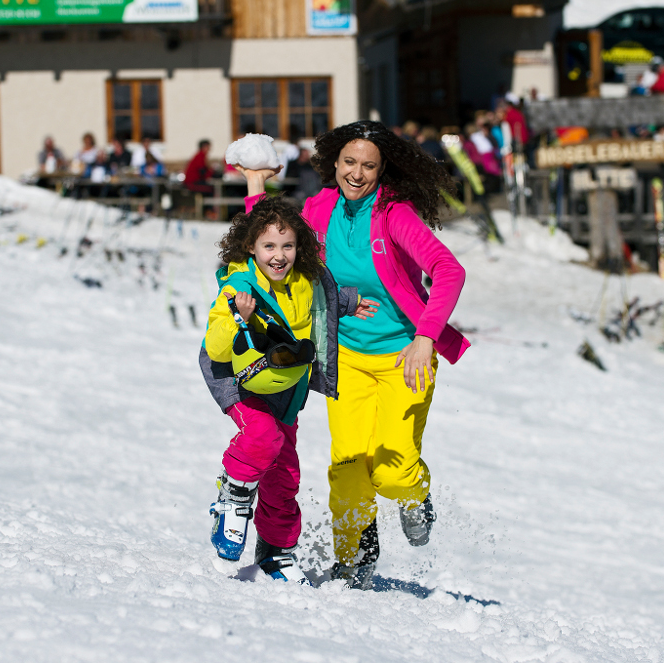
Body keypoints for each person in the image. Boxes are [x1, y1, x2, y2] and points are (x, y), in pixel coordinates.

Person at [240, 120, 469, 589]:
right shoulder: (321, 208)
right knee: (347, 468)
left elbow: (449, 270)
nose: (357, 173)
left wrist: (426, 338)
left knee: (392, 471)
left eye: (368, 165)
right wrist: (255, 184)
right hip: (345, 359)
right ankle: (355, 558)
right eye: (349, 162)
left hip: (404, 358)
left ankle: (415, 495)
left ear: (382, 170)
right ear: (335, 163)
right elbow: (272, 242)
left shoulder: (393, 214)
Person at [201, 198, 377, 584]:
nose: (279, 256)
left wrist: (349, 301)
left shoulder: (305, 280)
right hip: (242, 379)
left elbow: (322, 299)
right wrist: (237, 316)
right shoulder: (240, 286)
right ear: (251, 247)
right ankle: (234, 496)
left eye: (288, 246)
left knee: (285, 473)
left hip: (285, 387)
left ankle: (276, 552)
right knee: (261, 436)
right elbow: (215, 347)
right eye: (269, 246)